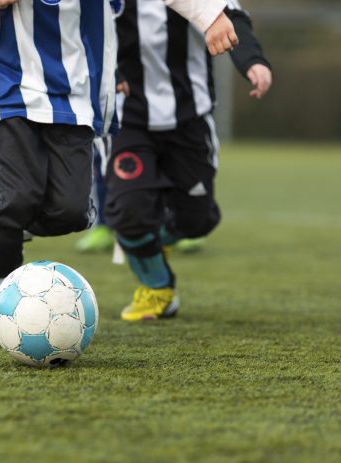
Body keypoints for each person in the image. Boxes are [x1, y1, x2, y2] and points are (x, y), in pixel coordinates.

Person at [0, 0, 240, 345]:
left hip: (75, 96)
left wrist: (211, 16)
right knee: (17, 197)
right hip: (6, 85)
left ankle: (6, 221)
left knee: (70, 211)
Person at [105, 0, 272, 321]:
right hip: (130, 121)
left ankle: (152, 242)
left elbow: (234, 18)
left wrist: (253, 62)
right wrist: (107, 74)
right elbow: (81, 33)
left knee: (198, 220)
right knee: (129, 211)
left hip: (190, 121)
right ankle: (158, 288)